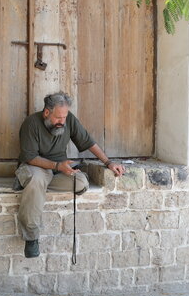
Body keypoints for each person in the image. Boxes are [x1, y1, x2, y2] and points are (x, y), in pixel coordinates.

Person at [15, 91, 126, 258]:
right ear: (47, 112)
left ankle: (36, 186)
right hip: (37, 166)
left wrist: (108, 163)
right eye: (59, 118)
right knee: (36, 179)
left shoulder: (69, 119)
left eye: (64, 118)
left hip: (59, 169)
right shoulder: (31, 124)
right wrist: (57, 166)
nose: (62, 122)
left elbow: (88, 141)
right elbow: (30, 158)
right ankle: (31, 237)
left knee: (81, 182)